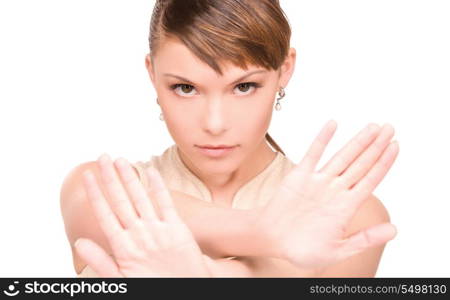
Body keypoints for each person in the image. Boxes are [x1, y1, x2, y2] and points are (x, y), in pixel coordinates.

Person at [60, 0, 399, 277]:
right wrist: (264, 232)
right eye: (186, 88)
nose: (215, 123)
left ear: (285, 69)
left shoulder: (350, 220)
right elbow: (106, 197)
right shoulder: (96, 191)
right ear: (152, 73)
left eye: (243, 86)